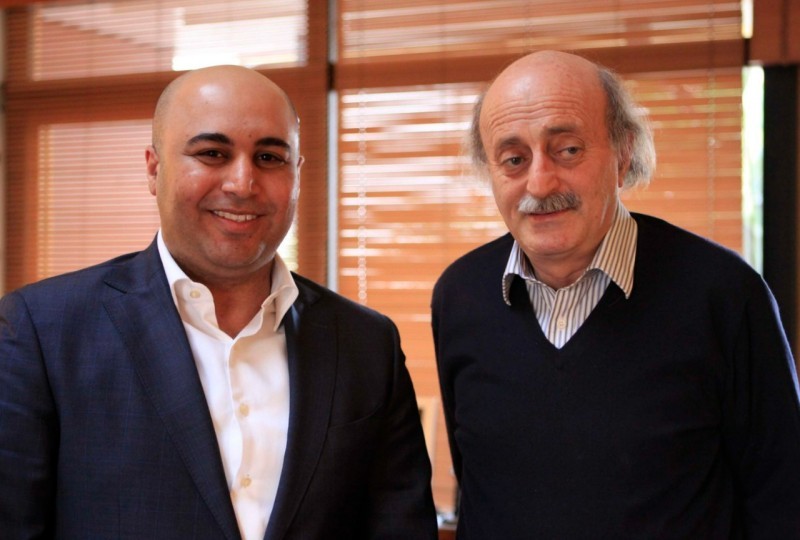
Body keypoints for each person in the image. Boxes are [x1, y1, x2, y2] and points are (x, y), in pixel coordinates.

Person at [0, 65, 437, 539]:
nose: (242, 183)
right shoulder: (43, 331)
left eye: (269, 157)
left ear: (297, 175)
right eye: (212, 153)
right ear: (154, 169)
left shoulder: (366, 344)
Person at [432, 50, 800, 538]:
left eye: (568, 150)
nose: (540, 183)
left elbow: (783, 502)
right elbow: (478, 486)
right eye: (514, 159)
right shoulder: (459, 297)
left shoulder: (725, 294)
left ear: (623, 154)